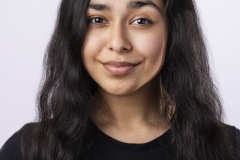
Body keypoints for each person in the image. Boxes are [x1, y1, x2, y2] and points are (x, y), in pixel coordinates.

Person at [0, 0, 239, 159]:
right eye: (97, 20)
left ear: (173, 31)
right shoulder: (29, 151)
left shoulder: (228, 148)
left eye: (141, 20)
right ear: (73, 30)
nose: (118, 43)